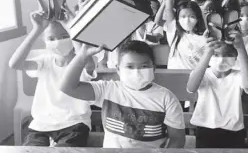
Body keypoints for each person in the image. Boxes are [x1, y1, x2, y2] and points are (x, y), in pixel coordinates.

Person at [59, 41, 186, 148]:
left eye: (144, 66)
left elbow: (177, 139)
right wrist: (82, 56)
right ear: (118, 69)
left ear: (154, 67)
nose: (137, 72)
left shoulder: (166, 98)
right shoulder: (108, 90)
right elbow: (68, 87)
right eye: (129, 66)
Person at [8, 11, 96, 147]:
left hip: (74, 124)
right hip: (42, 125)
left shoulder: (82, 61)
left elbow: (86, 60)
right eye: (51, 38)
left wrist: (73, 27)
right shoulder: (45, 62)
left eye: (64, 36)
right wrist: (37, 30)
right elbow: (15, 64)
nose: (58, 42)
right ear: (45, 42)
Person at [187, 32, 248, 148]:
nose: (222, 59)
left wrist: (241, 48)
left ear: (235, 56)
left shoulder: (238, 75)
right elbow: (191, 87)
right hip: (205, 128)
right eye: (216, 54)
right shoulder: (203, 74)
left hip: (234, 130)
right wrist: (208, 52)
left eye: (228, 54)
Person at [163, 0, 206, 69]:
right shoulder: (173, 31)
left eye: (192, 16)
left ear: (198, 18)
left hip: (195, 78)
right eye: (183, 16)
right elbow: (168, 9)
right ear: (178, 18)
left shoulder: (204, 37)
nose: (187, 20)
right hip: (174, 77)